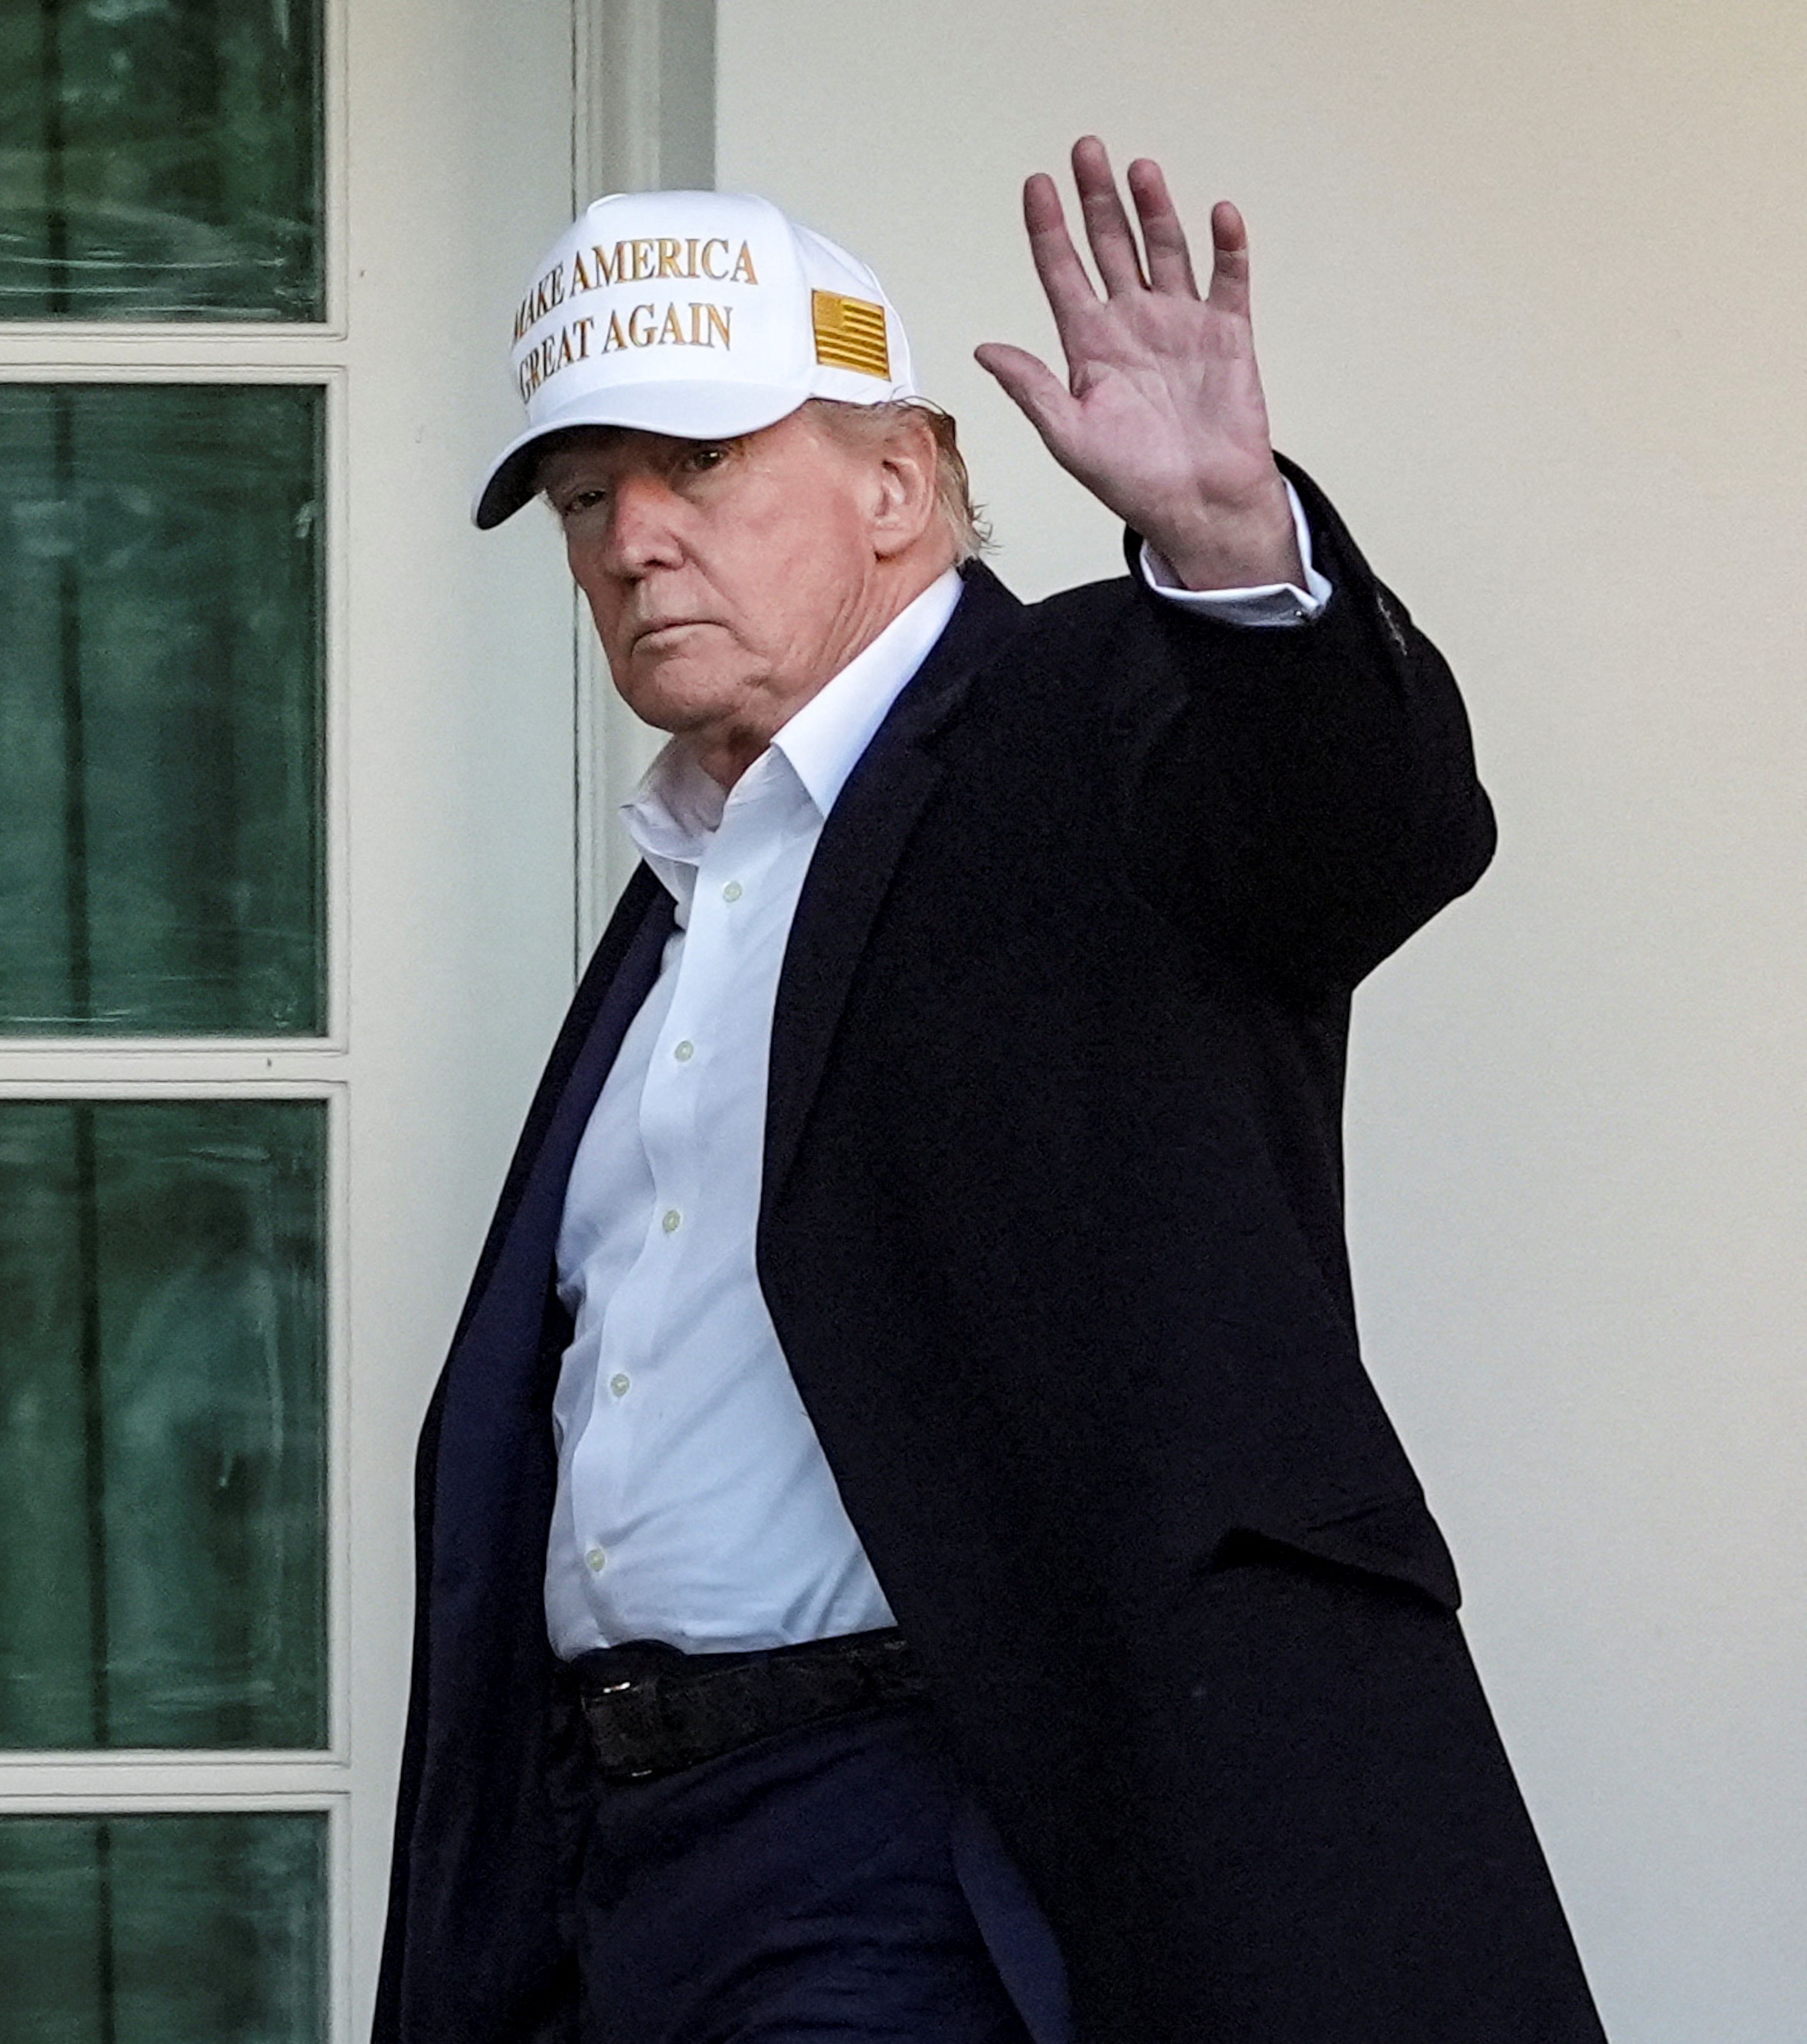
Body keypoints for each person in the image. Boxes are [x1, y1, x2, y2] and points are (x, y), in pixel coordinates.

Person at [375, 141, 1608, 2044]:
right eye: (584, 492)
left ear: (901, 482)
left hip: (917, 1829)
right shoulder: (684, 897)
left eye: (700, 466)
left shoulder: (1091, 712)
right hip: (623, 1857)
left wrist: (1229, 551)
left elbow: (1365, 834)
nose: (630, 539)